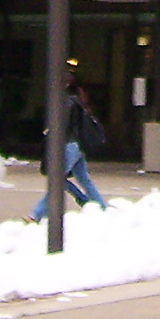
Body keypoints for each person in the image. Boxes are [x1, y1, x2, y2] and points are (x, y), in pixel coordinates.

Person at [28, 68, 107, 221]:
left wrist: (50, 132)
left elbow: (61, 126)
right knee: (84, 179)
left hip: (68, 145)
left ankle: (36, 215)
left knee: (57, 180)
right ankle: (101, 207)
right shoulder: (76, 99)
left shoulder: (64, 102)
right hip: (78, 145)